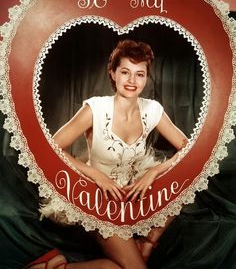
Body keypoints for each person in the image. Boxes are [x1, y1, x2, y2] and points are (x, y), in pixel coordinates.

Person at [25, 39, 188, 269]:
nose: (132, 81)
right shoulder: (95, 108)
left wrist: (155, 171)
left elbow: (190, 149)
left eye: (139, 74)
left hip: (133, 198)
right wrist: (93, 173)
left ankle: (147, 244)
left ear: (146, 77)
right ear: (113, 74)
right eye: (125, 72)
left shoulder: (152, 109)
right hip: (99, 201)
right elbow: (50, 148)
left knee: (184, 182)